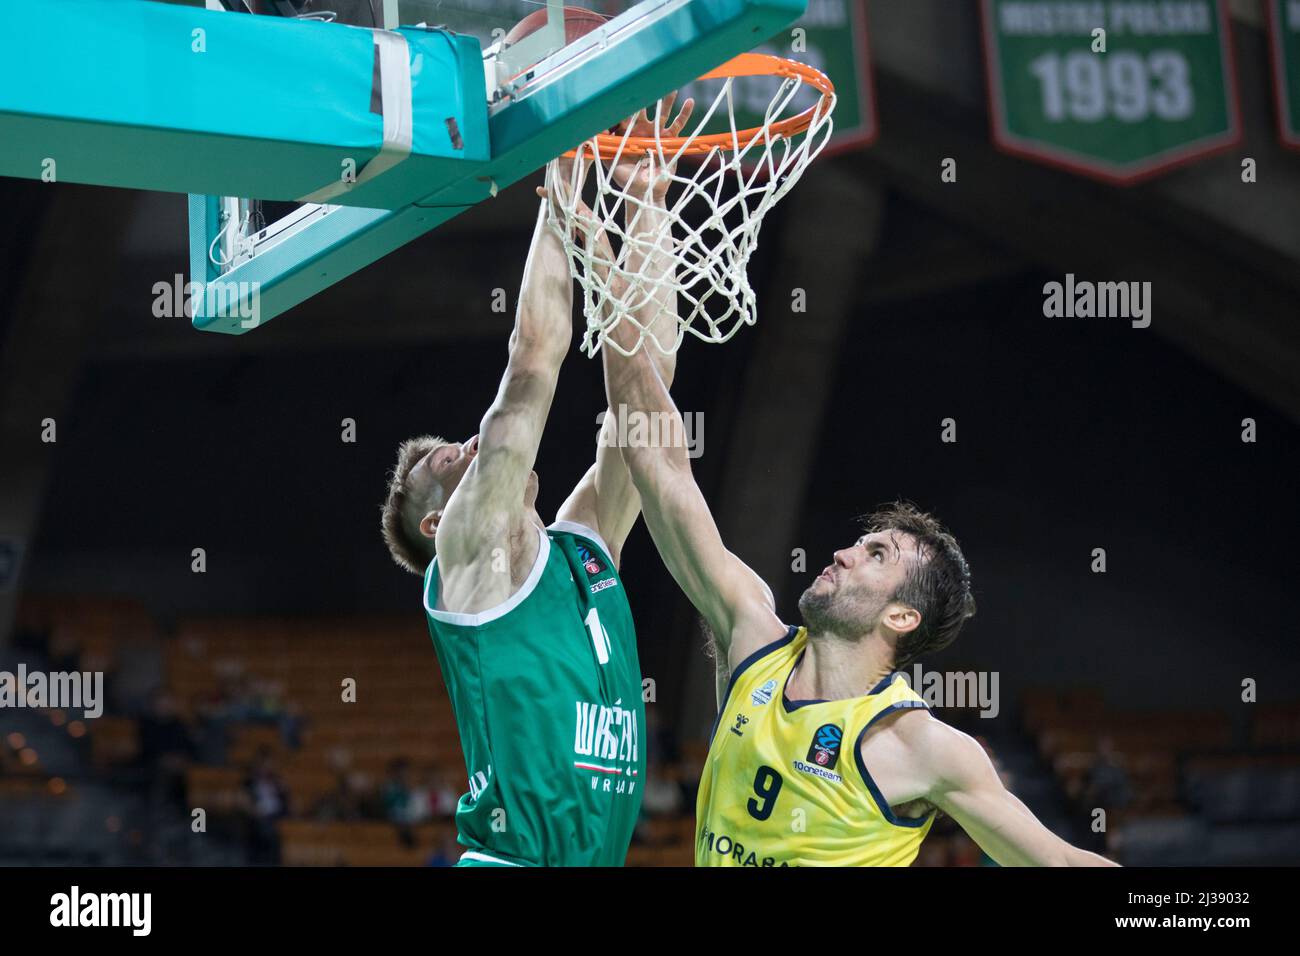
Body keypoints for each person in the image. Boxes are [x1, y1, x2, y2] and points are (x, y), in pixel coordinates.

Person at [598, 161, 1118, 872]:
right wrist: (646, 207)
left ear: (902, 617)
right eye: (859, 543)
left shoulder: (918, 746)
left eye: (876, 556)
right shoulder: (750, 635)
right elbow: (656, 460)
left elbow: (1060, 864)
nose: (843, 553)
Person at [378, 144, 682, 866]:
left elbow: (649, 389)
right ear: (438, 523)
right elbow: (534, 360)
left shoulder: (584, 546)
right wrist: (560, 187)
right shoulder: (468, 561)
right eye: (452, 458)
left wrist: (644, 198)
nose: (472, 446)